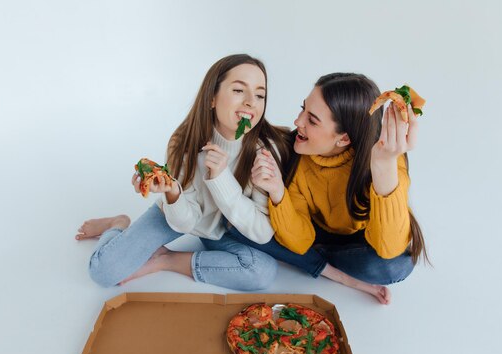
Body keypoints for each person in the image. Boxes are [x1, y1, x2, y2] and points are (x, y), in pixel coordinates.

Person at [75, 54, 291, 291]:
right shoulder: (183, 143)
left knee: (262, 273)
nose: (251, 102)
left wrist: (221, 178)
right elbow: (184, 221)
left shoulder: (265, 153)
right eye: (239, 90)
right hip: (177, 214)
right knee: (103, 272)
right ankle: (118, 224)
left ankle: (166, 259)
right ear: (212, 98)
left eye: (260, 95)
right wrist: (173, 192)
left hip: (228, 228)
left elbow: (262, 233)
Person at [229, 73, 428, 304]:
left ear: (344, 139)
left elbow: (389, 249)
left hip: (362, 238)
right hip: (314, 232)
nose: (297, 122)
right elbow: (302, 240)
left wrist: (383, 166)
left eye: (312, 120)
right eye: (302, 109)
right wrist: (277, 192)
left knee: (395, 266)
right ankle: (321, 264)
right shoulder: (297, 157)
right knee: (235, 223)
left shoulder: (386, 156)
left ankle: (314, 261)